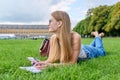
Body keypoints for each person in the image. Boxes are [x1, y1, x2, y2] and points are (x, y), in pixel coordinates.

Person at [34, 11, 106, 70]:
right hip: (80, 48)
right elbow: (50, 60)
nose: (48, 24)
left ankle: (97, 36)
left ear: (59, 23)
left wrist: (51, 66)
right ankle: (97, 37)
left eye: (50, 21)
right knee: (91, 46)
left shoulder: (75, 37)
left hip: (87, 52)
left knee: (100, 50)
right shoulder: (53, 38)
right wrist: (42, 63)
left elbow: (72, 63)